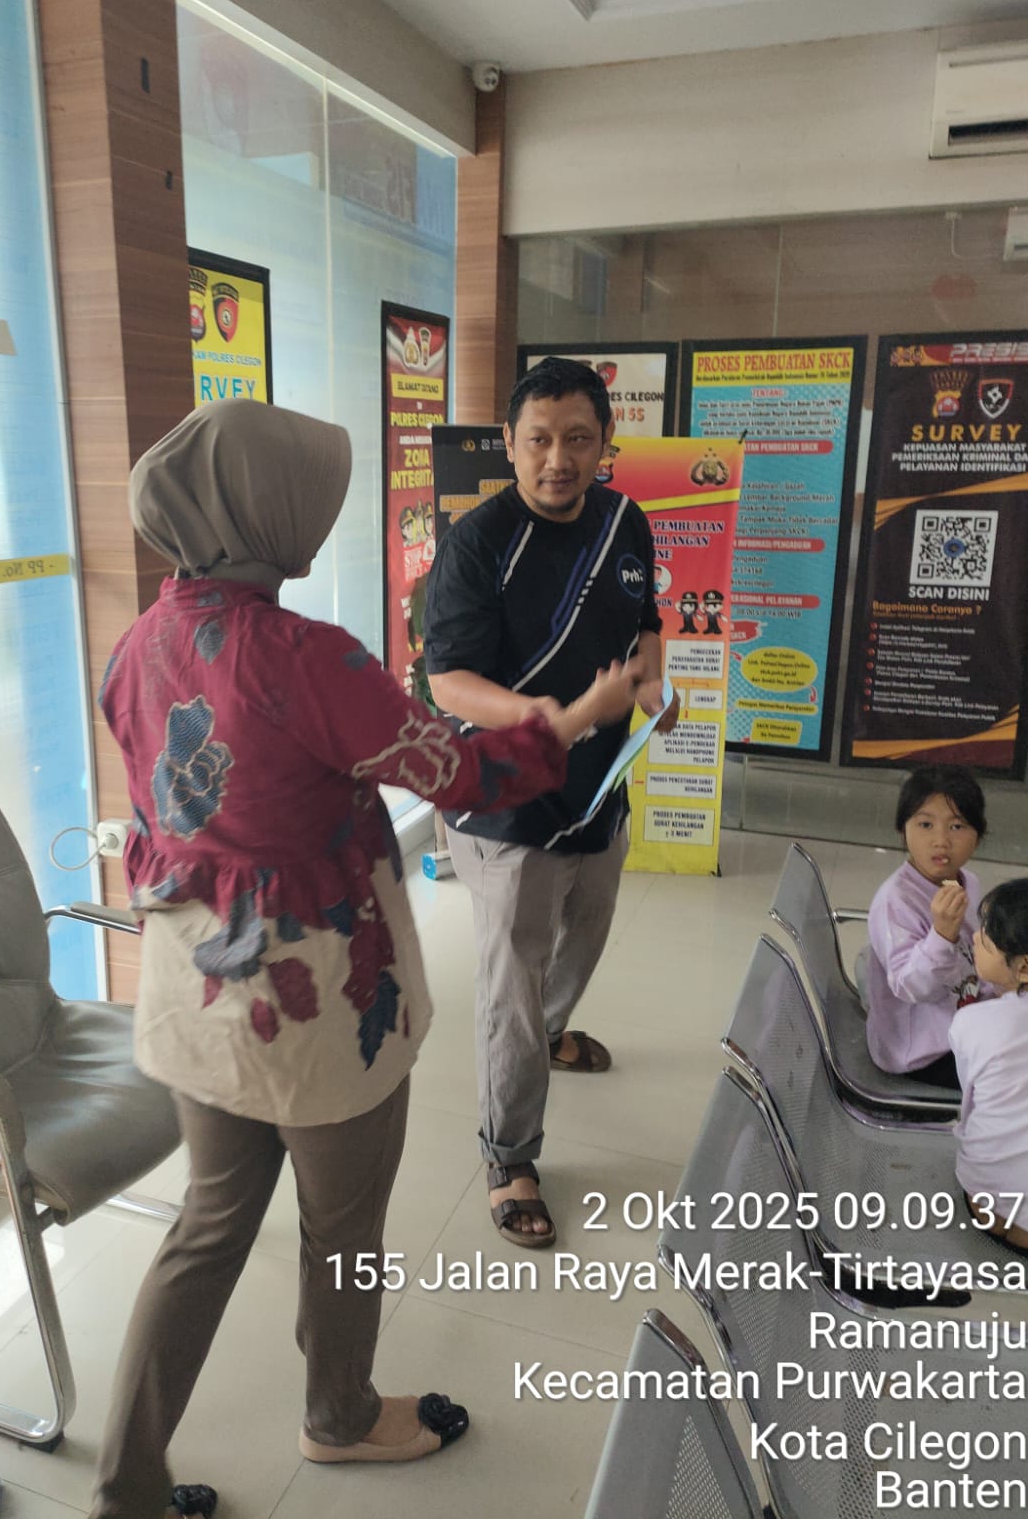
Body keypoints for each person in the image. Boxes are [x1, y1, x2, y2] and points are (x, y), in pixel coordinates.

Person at [90, 396, 647, 1518]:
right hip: (318, 999)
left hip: (199, 982)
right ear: (261, 511)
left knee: (207, 1225)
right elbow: (462, 772)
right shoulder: (306, 657)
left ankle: (125, 1486)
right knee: (340, 1228)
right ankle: (338, 1415)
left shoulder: (140, 641)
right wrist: (583, 710)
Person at [422, 355, 679, 1249]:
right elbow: (449, 681)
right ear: (509, 443)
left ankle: (553, 1031)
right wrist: (554, 717)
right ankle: (510, 1156)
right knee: (512, 983)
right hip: (507, 802)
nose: (558, 459)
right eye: (539, 440)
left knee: (589, 929)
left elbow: (646, 627)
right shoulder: (477, 543)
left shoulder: (624, 520)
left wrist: (651, 687)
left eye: (577, 439)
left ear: (606, 442)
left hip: (600, 785)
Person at [862, 764, 988, 1089]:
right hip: (923, 1050)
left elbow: (978, 956)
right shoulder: (896, 900)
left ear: (978, 836)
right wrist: (942, 934)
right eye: (925, 824)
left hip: (967, 1019)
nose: (941, 841)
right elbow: (911, 988)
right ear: (903, 829)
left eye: (957, 826)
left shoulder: (969, 882)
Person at [951, 878, 1028, 1253]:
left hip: (984, 1199)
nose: (973, 938)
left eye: (985, 940)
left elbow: (971, 1103)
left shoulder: (972, 1023)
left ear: (1024, 968)